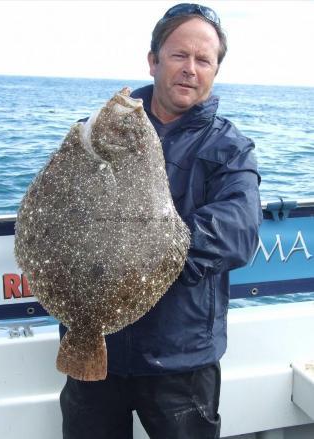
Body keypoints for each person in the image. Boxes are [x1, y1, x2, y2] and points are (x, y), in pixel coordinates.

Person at [59, 3, 262, 439]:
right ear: (153, 61)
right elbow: (56, 212)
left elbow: (238, 232)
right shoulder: (94, 132)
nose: (190, 69)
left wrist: (146, 254)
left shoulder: (231, 149)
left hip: (181, 360)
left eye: (203, 60)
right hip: (97, 351)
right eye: (178, 55)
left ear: (215, 70)